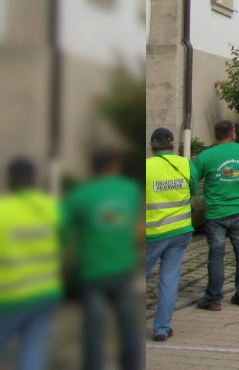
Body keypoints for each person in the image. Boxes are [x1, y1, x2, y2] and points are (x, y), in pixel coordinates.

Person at [65, 150, 140, 369]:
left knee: (93, 327)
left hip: (92, 270)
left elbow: (64, 231)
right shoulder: (130, 190)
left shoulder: (80, 194)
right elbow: (137, 229)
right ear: (116, 165)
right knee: (127, 324)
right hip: (122, 267)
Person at [0, 158, 62, 368]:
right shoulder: (51, 207)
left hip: (9, 296)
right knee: (32, 350)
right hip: (45, 292)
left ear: (10, 180)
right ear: (33, 180)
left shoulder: (3, 210)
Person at [194, 120, 239, 310]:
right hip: (238, 210)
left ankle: (213, 299)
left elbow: (193, 178)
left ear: (215, 135)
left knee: (216, 256)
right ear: (233, 133)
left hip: (216, 213)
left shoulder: (206, 156)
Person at [143, 129, 193, 344]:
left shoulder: (145, 167)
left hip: (151, 234)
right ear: (173, 144)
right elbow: (192, 190)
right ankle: (162, 328)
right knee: (169, 280)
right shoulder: (186, 164)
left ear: (152, 145)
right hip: (181, 231)